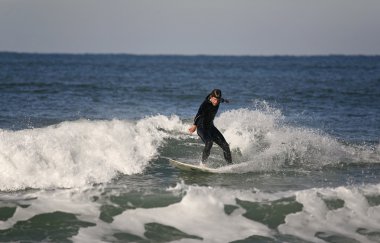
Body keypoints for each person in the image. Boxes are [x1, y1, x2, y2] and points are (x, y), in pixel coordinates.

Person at [188, 89, 232, 164]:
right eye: (215, 100)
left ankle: (230, 164)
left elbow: (221, 99)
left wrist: (225, 101)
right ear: (211, 97)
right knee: (209, 143)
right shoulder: (205, 104)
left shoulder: (217, 100)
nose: (216, 102)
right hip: (202, 127)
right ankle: (203, 164)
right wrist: (194, 125)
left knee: (226, 146)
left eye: (218, 100)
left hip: (211, 127)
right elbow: (199, 114)